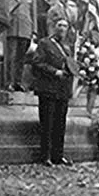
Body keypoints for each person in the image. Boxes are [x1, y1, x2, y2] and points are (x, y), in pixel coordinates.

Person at [31, 17, 78, 166]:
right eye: (60, 25)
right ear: (54, 27)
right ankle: (45, 156)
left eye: (65, 26)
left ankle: (58, 155)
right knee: (47, 124)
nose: (62, 29)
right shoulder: (45, 44)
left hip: (62, 90)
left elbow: (71, 66)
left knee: (60, 124)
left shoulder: (68, 47)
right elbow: (37, 63)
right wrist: (54, 72)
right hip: (48, 89)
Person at [6, 0, 37, 91]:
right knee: (11, 58)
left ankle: (18, 81)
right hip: (13, 28)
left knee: (21, 59)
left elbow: (33, 14)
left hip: (26, 30)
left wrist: (34, 31)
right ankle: (9, 82)